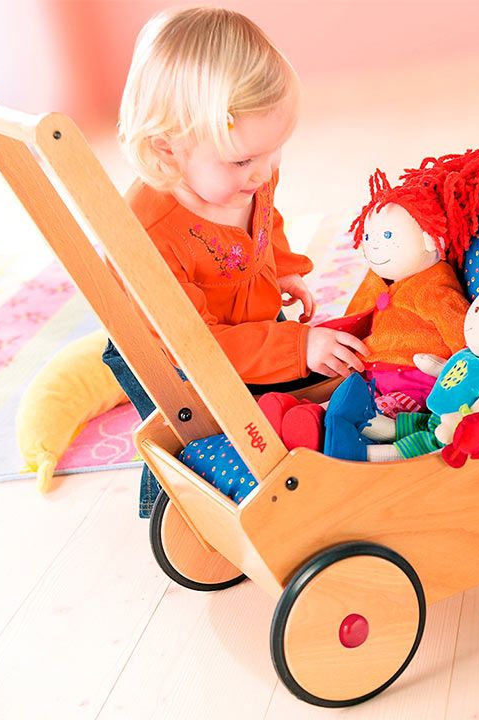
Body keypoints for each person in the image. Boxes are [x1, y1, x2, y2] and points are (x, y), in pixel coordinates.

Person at [103, 7, 368, 517]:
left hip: (246, 323)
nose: (263, 173)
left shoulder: (246, 173)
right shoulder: (150, 234)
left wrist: (282, 266)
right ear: (167, 150)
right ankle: (183, 507)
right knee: (198, 428)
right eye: (244, 160)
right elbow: (197, 347)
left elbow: (266, 216)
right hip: (176, 354)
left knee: (300, 392)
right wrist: (297, 346)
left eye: (274, 151)